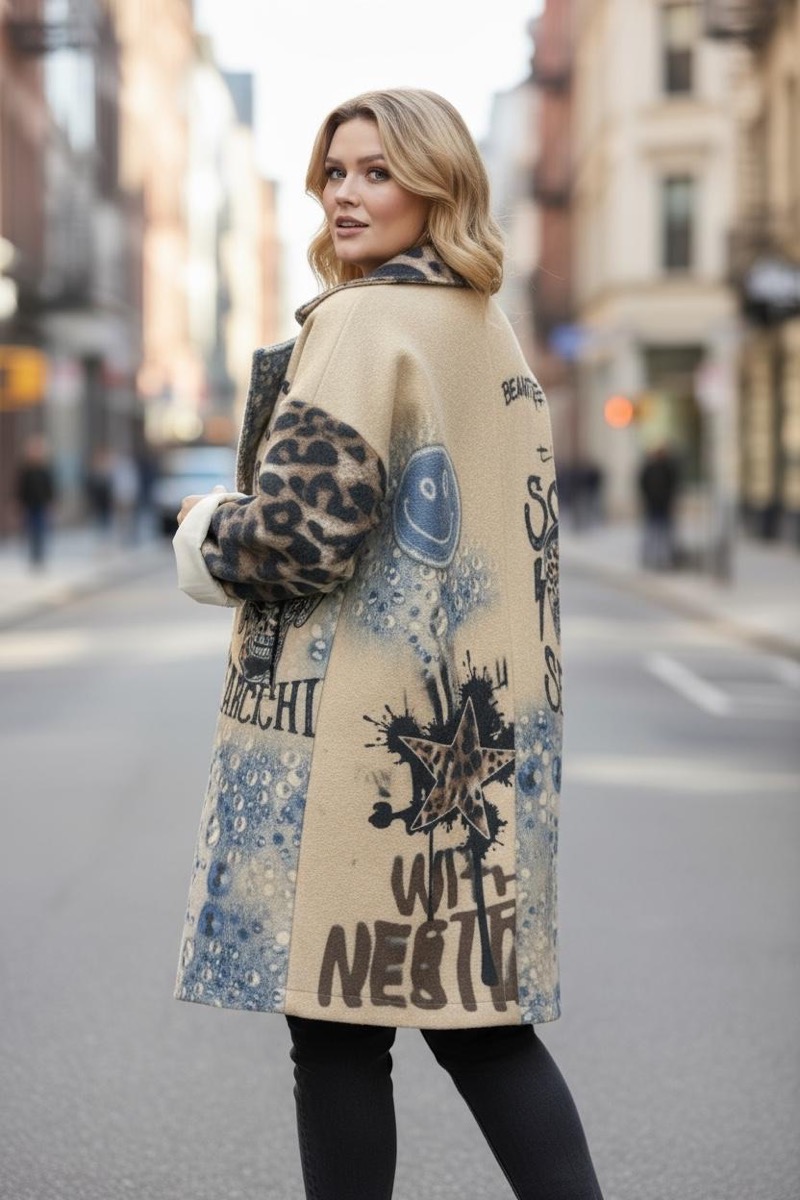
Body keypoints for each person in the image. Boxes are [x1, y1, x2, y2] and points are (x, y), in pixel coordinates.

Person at [172, 89, 604, 1200]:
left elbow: (295, 540)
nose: (347, 194)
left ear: (437, 184)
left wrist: (202, 530)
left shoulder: (362, 323)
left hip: (360, 748)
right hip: (479, 739)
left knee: (335, 1033)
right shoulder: (487, 328)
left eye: (377, 171)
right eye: (335, 172)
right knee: (483, 1027)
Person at [15, 433, 57, 568]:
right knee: (30, 529)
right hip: (29, 505)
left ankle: (39, 555)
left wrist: (51, 503)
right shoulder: (25, 470)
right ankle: (33, 555)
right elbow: (21, 488)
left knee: (40, 529)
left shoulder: (45, 470)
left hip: (41, 505)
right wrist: (19, 503)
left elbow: (50, 487)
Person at [638, 441, 680, 570]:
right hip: (652, 504)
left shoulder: (668, 468)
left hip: (664, 505)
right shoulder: (649, 468)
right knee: (652, 532)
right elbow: (642, 484)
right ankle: (649, 556)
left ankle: (665, 558)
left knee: (664, 533)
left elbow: (673, 486)